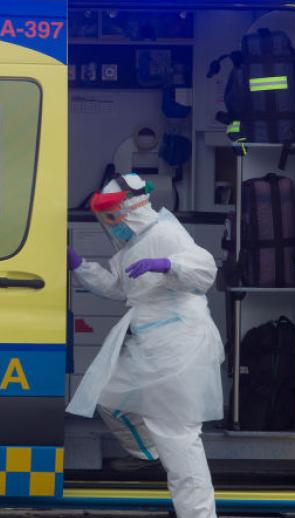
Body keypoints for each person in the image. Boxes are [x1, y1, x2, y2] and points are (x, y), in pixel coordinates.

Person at [67, 173, 224, 518]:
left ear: (129, 208)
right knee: (108, 397)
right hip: (153, 345)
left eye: (111, 215)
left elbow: (204, 271)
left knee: (181, 443)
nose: (109, 224)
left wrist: (169, 265)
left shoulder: (165, 233)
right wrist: (81, 266)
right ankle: (151, 452)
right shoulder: (133, 246)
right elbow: (119, 288)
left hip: (179, 348)